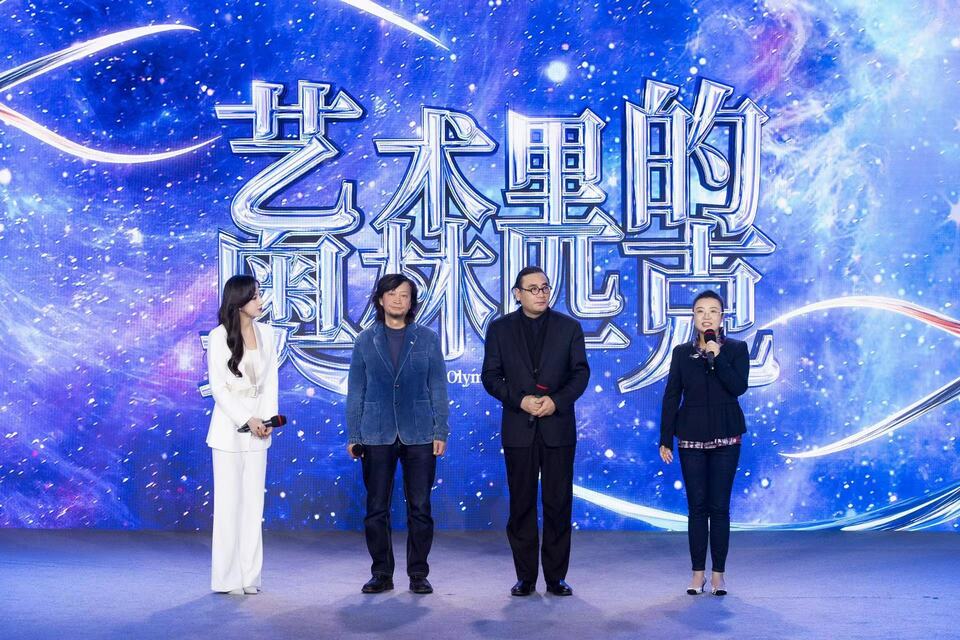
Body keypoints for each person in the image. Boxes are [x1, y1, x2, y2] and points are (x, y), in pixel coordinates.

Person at [481, 266, 590, 597]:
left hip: (558, 428)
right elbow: (490, 376)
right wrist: (521, 400)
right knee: (522, 505)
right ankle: (525, 577)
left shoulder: (569, 328)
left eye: (545, 287)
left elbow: (580, 374)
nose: (541, 294)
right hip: (519, 428)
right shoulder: (500, 329)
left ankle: (556, 577)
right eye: (533, 289)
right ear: (517, 294)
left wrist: (556, 402)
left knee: (558, 504)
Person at [345, 274, 450, 595]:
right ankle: (381, 573)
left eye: (404, 295)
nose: (398, 300)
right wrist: (354, 434)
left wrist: (440, 429)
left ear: (411, 302)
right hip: (375, 433)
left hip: (419, 433)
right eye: (391, 294)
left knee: (420, 507)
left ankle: (418, 573)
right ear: (380, 299)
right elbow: (356, 391)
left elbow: (438, 387)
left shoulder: (427, 339)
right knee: (376, 508)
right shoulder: (365, 340)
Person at [658, 290, 750, 596]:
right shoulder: (681, 353)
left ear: (722, 317)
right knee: (697, 507)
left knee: (719, 507)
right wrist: (665, 437)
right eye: (700, 311)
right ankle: (697, 573)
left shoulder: (736, 349)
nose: (707, 316)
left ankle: (718, 575)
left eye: (713, 311)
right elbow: (672, 395)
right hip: (691, 437)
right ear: (693, 317)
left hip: (727, 436)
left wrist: (717, 356)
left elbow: (738, 387)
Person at [205, 274, 279, 595]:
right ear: (239, 301)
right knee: (229, 506)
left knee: (253, 507)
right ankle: (227, 578)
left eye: (259, 295)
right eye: (255, 296)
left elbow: (271, 381)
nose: (260, 301)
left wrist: (268, 420)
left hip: (259, 433)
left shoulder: (268, 334)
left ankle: (250, 576)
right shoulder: (218, 336)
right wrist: (247, 418)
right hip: (228, 432)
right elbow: (219, 388)